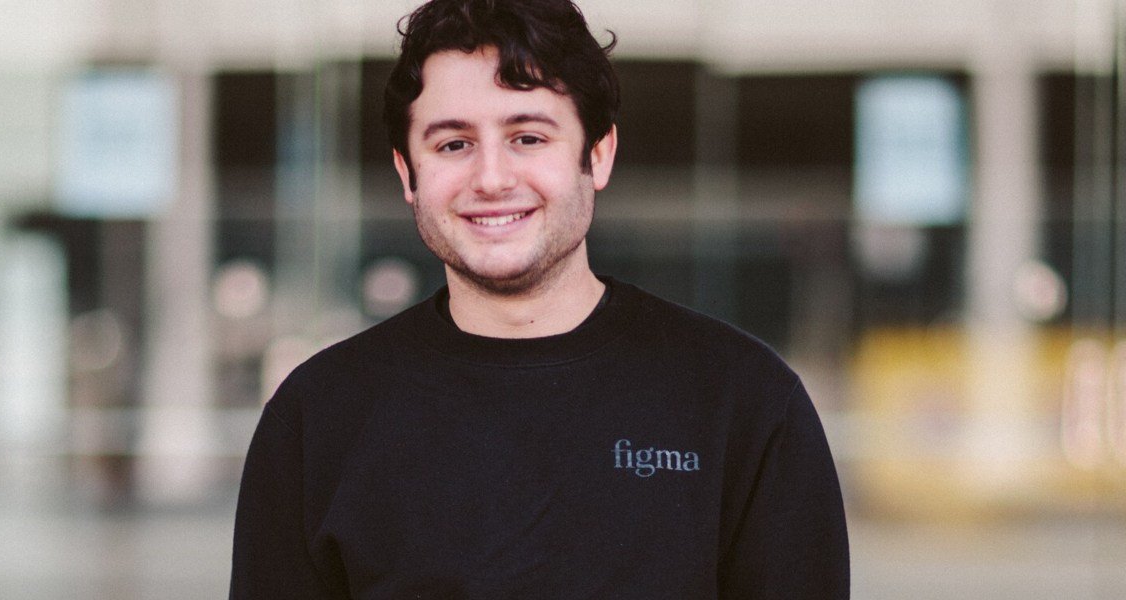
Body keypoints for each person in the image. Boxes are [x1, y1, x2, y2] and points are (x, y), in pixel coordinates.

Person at [229, 0, 849, 597]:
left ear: (597, 154)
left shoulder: (742, 400)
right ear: (406, 173)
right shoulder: (317, 418)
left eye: (527, 137)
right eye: (453, 144)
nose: (492, 178)